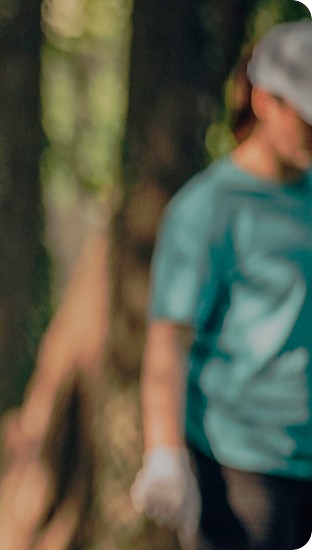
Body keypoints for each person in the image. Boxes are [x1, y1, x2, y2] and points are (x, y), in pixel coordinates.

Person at [132, 21, 312, 550]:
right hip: (242, 472)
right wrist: (163, 454)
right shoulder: (207, 209)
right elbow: (169, 342)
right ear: (264, 101)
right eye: (306, 116)